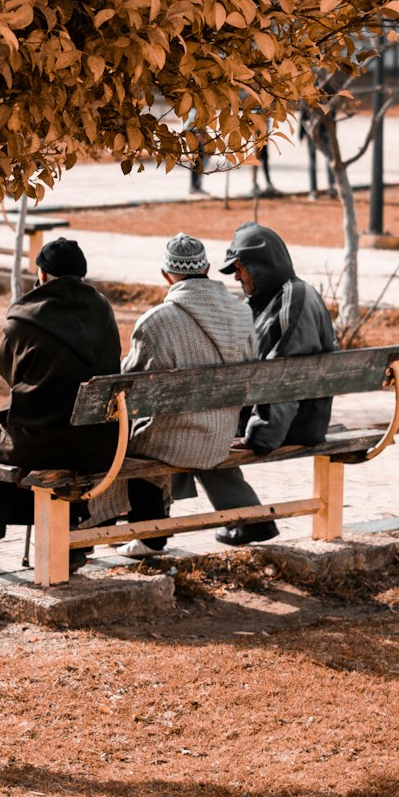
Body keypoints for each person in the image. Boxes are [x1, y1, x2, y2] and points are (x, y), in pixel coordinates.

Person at [0, 237, 121, 569]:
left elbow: (6, 368)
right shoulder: (102, 309)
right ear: (81, 275)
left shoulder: (24, 315)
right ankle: (70, 542)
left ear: (43, 275)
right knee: (58, 456)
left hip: (40, 441)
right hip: (98, 443)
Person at [175, 221, 336, 545]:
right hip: (285, 414)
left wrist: (258, 437)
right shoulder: (271, 298)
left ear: (257, 266)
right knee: (190, 429)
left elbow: (285, 378)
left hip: (293, 421)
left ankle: (148, 526)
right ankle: (249, 519)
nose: (236, 277)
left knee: (196, 436)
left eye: (239, 269)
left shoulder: (295, 299)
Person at [111, 233, 258, 559]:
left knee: (136, 442)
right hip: (222, 434)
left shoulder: (156, 321)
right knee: (158, 433)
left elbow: (128, 386)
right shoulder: (241, 314)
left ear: (166, 275)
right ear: (206, 268)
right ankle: (146, 532)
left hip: (176, 440)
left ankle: (148, 535)